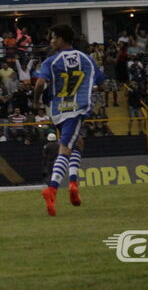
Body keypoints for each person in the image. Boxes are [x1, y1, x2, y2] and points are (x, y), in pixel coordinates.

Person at [33, 24, 105, 217]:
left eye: (53, 37)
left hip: (57, 111)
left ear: (62, 38)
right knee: (65, 148)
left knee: (77, 143)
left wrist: (36, 101)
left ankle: (73, 184)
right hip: (76, 109)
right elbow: (102, 83)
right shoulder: (87, 60)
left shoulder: (51, 60)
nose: (51, 41)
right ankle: (53, 189)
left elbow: (40, 83)